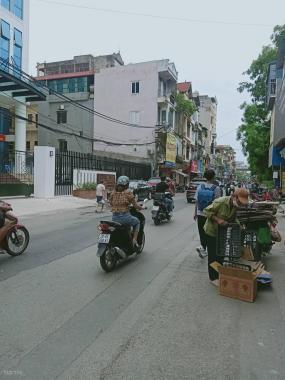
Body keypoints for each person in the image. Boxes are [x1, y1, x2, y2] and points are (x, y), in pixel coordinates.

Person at [203, 188, 249, 286]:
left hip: (222, 232)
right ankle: (213, 277)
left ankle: (220, 273)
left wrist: (238, 225)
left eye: (242, 203)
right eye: (239, 202)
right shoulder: (220, 202)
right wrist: (217, 219)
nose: (240, 205)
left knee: (221, 254)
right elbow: (206, 211)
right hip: (212, 231)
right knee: (213, 255)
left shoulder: (235, 206)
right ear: (234, 197)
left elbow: (233, 218)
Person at [109, 176, 143, 248]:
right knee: (137, 222)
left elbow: (110, 203)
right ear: (127, 184)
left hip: (114, 218)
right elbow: (136, 206)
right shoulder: (128, 193)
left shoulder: (113, 193)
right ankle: (134, 240)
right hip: (125, 218)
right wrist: (142, 207)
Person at [194, 170, 221, 258]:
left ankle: (203, 248)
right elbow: (218, 204)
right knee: (209, 233)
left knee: (202, 233)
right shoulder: (216, 188)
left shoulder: (200, 187)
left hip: (200, 213)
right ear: (213, 177)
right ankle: (207, 250)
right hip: (210, 215)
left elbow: (197, 201)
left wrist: (195, 213)